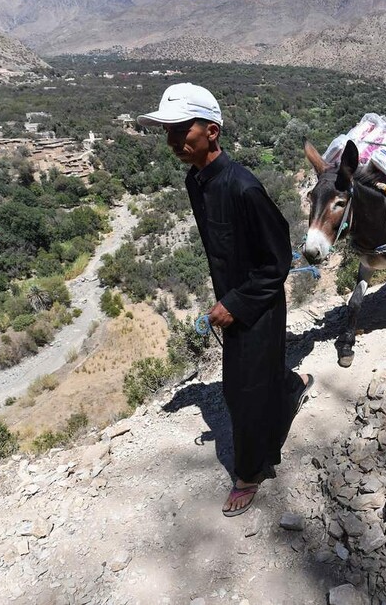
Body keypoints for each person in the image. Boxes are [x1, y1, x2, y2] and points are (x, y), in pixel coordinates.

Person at [138, 83, 313, 518]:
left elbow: (275, 263)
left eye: (182, 129)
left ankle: (250, 472)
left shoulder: (244, 188)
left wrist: (234, 302)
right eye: (169, 132)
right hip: (233, 297)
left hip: (257, 300)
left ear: (212, 131)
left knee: (242, 390)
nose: (175, 141)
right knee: (259, 374)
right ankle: (293, 388)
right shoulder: (196, 180)